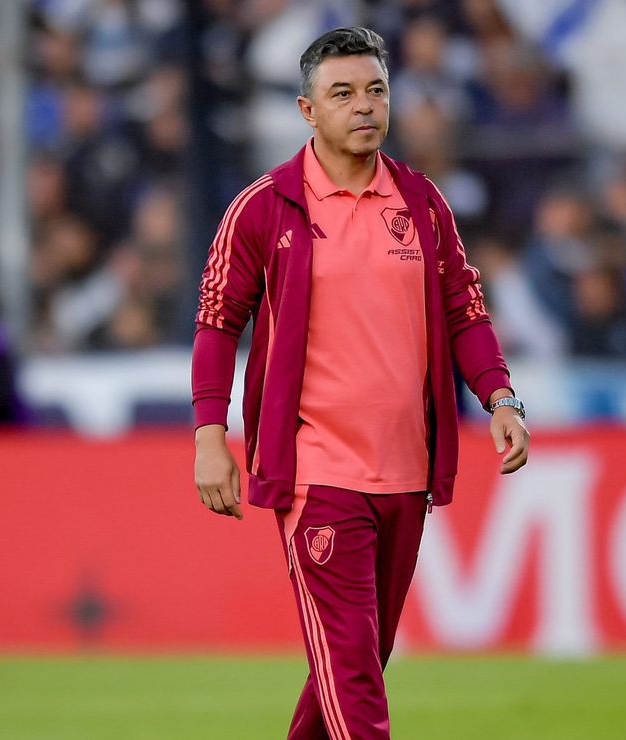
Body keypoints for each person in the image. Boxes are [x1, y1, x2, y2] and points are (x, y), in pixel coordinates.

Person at [191, 27, 529, 740]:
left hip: (405, 470)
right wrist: (209, 435)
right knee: (352, 672)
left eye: (375, 89)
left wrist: (499, 397)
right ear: (307, 111)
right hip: (317, 473)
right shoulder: (265, 207)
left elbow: (465, 310)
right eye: (342, 93)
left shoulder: (422, 202)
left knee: (353, 664)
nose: (364, 106)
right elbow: (217, 324)